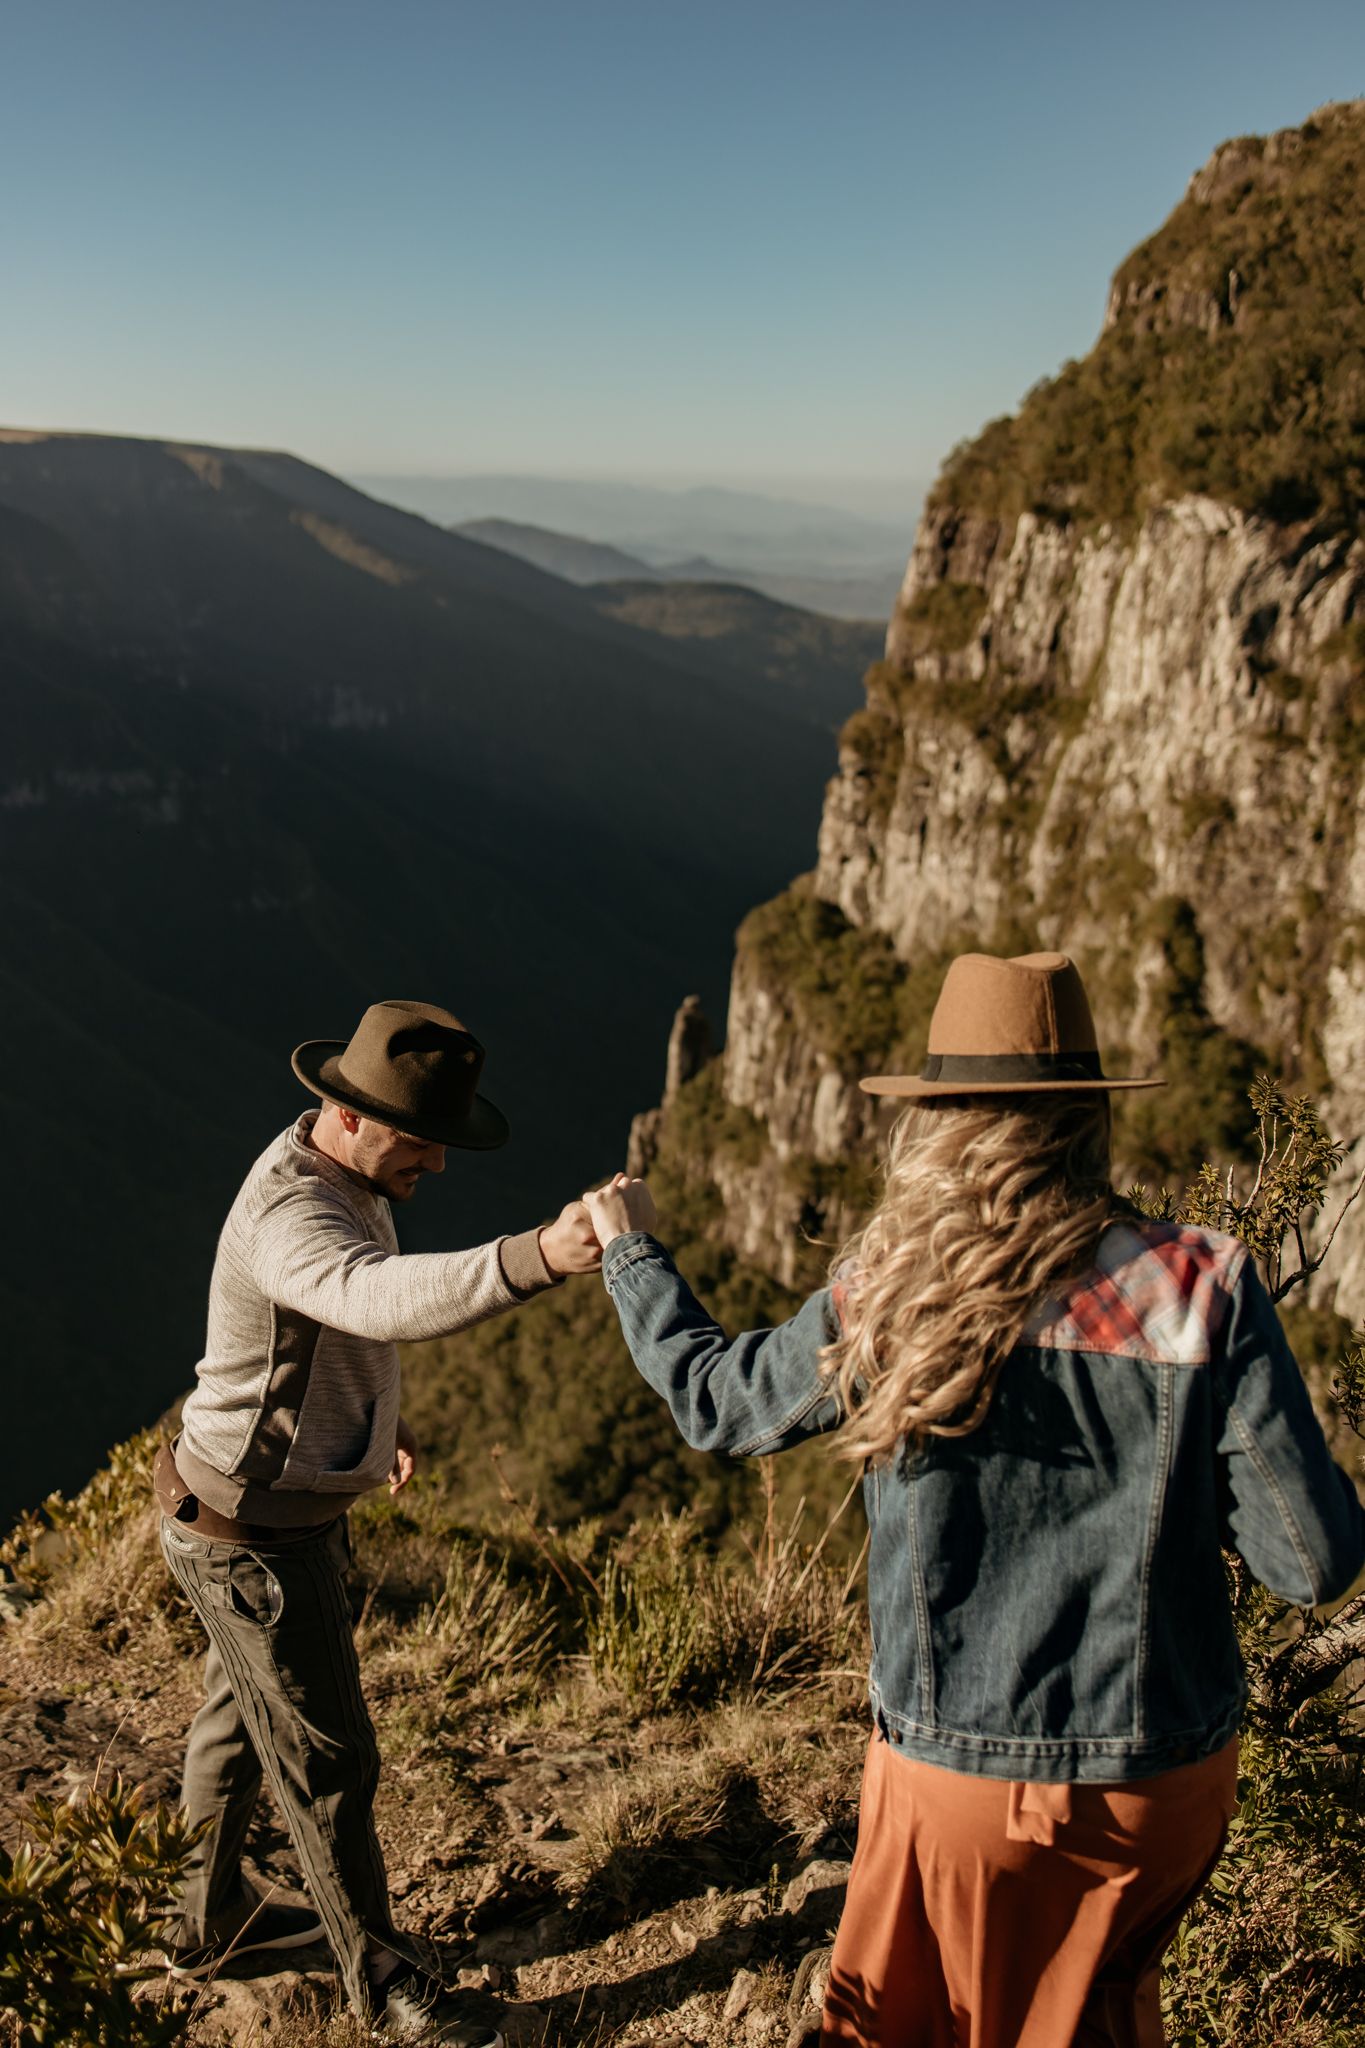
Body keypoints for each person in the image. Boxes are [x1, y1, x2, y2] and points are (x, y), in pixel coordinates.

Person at [582, 951, 1365, 2048]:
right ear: (1091, 1115)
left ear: (940, 1120)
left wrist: (632, 1253)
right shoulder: (1207, 1286)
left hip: (953, 1778)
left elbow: (720, 1405)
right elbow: (1312, 1561)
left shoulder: (893, 1288)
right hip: (1159, 1782)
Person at [157, 999, 601, 2048]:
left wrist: (369, 1432)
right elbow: (374, 1296)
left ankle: (201, 1920)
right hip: (257, 1538)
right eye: (422, 1140)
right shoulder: (292, 1214)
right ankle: (393, 1987)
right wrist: (537, 1253)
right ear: (348, 1113)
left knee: (237, 1721)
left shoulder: (340, 1172)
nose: (438, 1164)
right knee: (330, 1759)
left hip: (238, 1506)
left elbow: (323, 1341)